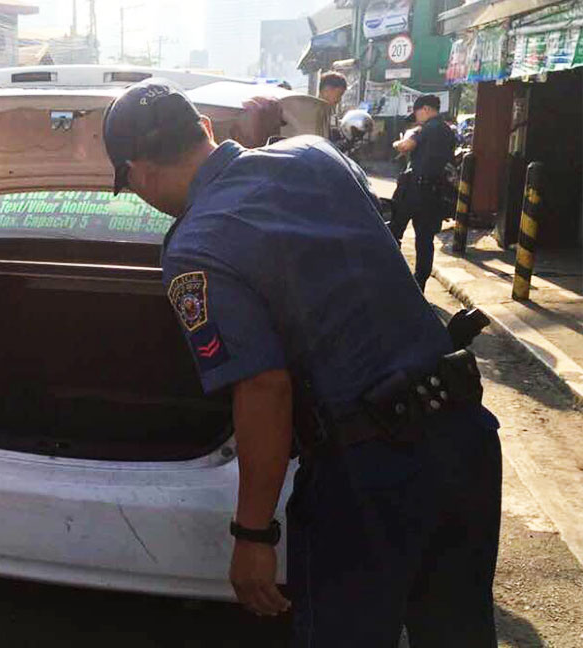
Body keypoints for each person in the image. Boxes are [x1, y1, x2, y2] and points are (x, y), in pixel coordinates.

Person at [103, 79, 501, 647]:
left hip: (370, 477)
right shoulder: (318, 154)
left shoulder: (196, 246)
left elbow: (265, 388)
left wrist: (253, 534)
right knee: (460, 632)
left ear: (136, 170)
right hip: (465, 438)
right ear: (207, 130)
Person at [390, 94, 458, 289]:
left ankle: (394, 276)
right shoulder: (447, 130)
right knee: (425, 240)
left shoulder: (425, 128)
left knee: (394, 231)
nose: (417, 116)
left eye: (418, 112)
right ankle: (420, 283)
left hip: (414, 190)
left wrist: (399, 142)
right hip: (435, 192)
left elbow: (405, 146)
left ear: (426, 109)